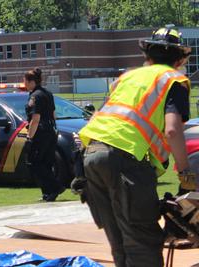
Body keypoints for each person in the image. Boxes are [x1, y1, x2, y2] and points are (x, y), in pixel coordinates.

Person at [78, 26, 194, 267]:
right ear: (181, 59)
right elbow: (173, 129)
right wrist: (185, 174)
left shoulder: (126, 78)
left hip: (90, 157)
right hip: (126, 159)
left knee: (119, 241)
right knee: (142, 242)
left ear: (147, 55)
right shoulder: (174, 80)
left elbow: (101, 117)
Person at [24, 67, 64, 202]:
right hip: (51, 131)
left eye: (25, 81)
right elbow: (53, 115)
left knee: (34, 162)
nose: (24, 83)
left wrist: (29, 138)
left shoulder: (35, 96)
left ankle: (56, 187)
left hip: (40, 133)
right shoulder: (47, 93)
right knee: (46, 163)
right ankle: (47, 193)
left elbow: (35, 119)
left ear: (31, 81)